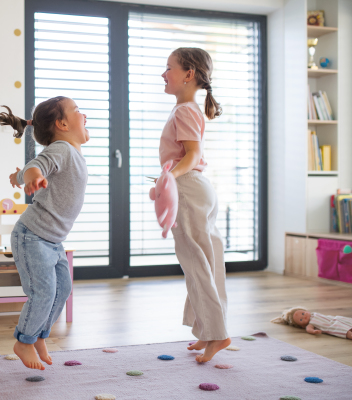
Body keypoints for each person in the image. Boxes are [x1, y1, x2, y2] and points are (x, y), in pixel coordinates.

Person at [0, 96, 89, 370]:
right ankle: (24, 341)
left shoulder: (71, 152)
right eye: (77, 110)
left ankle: (40, 334)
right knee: (44, 292)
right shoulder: (62, 149)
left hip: (52, 240)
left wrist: (19, 177)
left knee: (62, 289)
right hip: (33, 236)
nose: (84, 114)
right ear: (62, 123)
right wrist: (30, 175)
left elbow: (32, 168)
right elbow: (37, 165)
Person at [157, 47, 230, 362]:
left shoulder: (185, 110)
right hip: (198, 190)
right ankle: (207, 330)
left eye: (169, 67)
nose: (164, 73)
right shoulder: (187, 110)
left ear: (188, 74)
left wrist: (168, 178)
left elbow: (192, 156)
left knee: (196, 265)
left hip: (187, 189)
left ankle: (217, 334)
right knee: (208, 262)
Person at [271, 306, 352, 339]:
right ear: (302, 326)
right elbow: (309, 330)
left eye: (303, 313)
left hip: (336, 319)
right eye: (301, 320)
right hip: (332, 327)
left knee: (347, 322)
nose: (304, 316)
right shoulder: (310, 324)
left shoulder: (314, 314)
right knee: (344, 331)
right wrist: (314, 331)